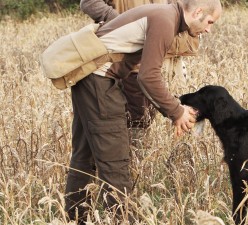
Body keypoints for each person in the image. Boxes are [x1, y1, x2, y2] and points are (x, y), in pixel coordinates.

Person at [64, 0, 222, 223]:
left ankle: (75, 218)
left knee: (84, 154)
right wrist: (176, 112)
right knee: (115, 161)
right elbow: (148, 76)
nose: (208, 29)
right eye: (210, 22)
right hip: (99, 81)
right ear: (197, 12)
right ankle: (122, 219)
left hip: (89, 79)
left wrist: (173, 110)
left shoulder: (165, 14)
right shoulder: (166, 20)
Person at [80, 0, 200, 148]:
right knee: (132, 121)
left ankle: (140, 166)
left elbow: (187, 8)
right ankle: (129, 166)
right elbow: (89, 2)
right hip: (126, 62)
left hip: (162, 60)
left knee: (147, 121)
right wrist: (125, 23)